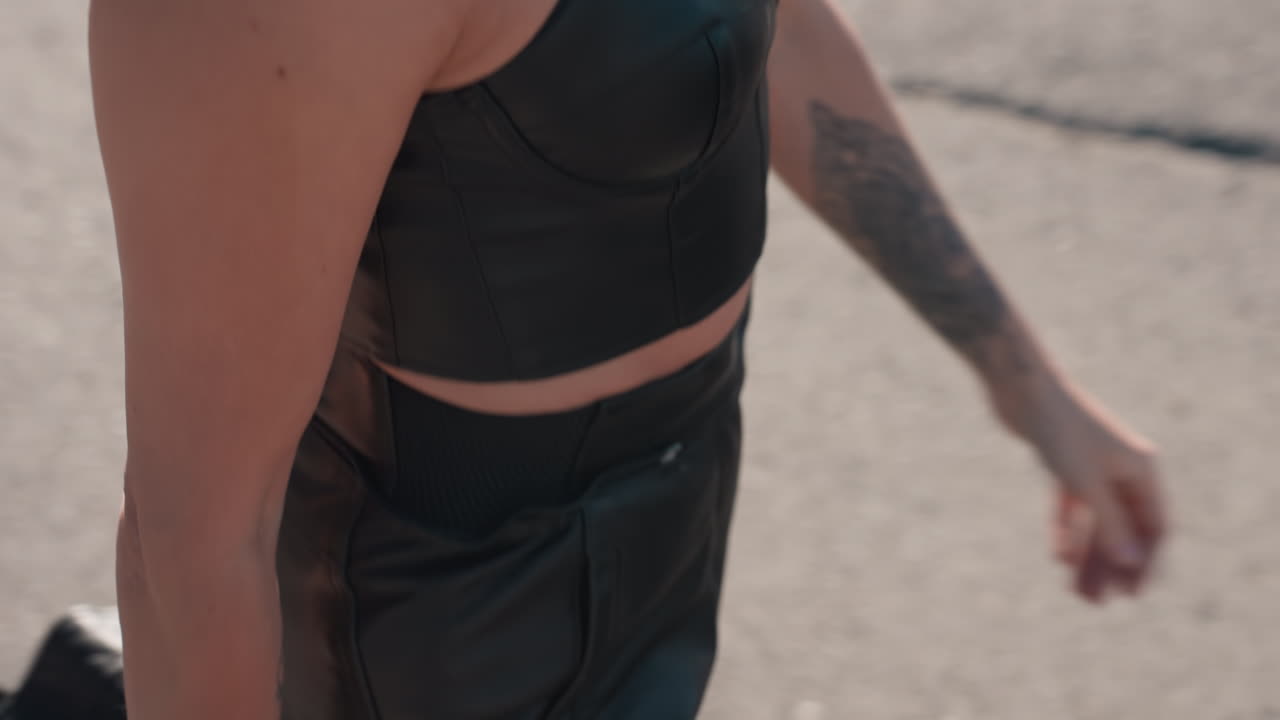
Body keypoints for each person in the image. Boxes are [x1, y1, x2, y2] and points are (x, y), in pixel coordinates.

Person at [88, 0, 1166, 717]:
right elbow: (195, 535)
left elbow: (766, 30)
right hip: (432, 633)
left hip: (678, 508)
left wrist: (1028, 386)